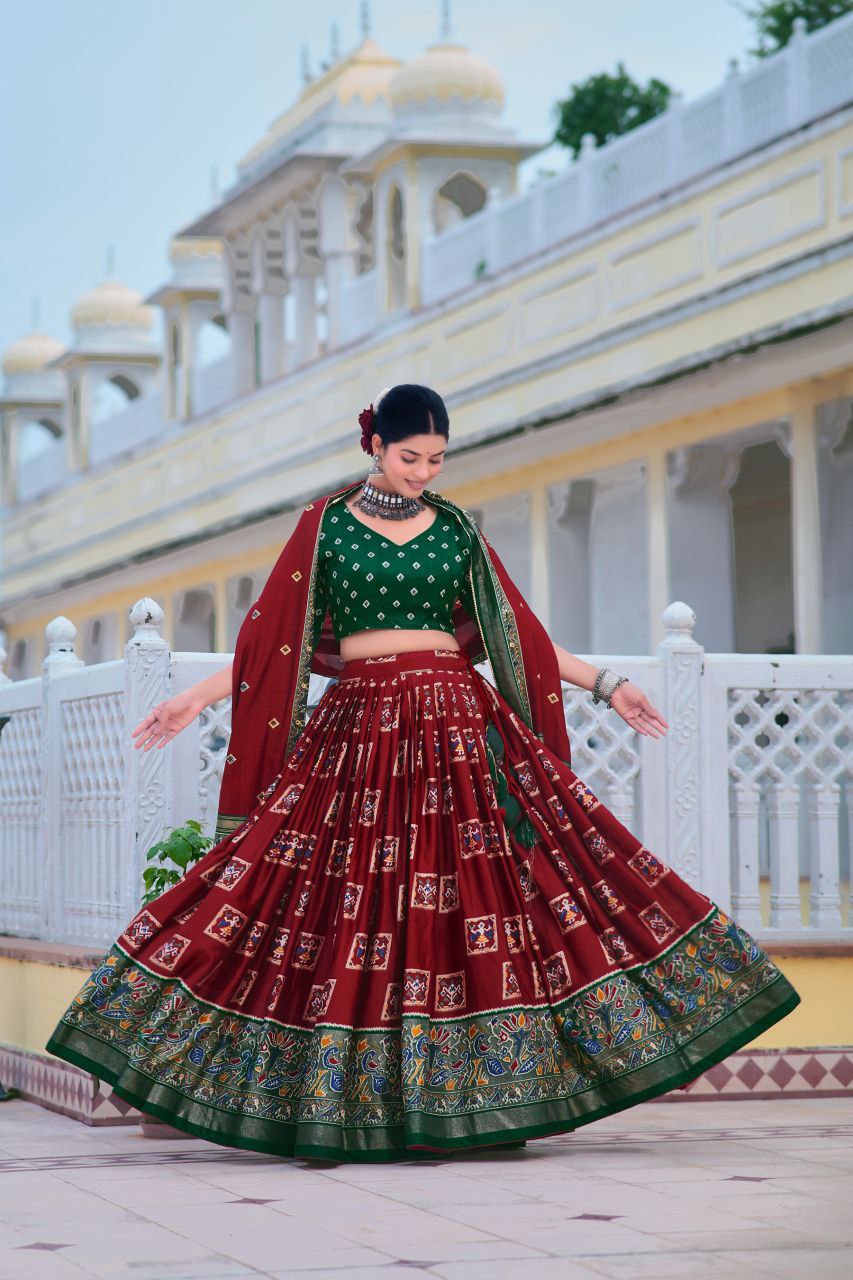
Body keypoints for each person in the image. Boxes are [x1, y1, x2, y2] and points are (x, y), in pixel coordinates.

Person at [46, 383, 800, 1164]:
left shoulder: (455, 530)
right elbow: (273, 648)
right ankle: (337, 1106)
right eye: (412, 457)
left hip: (458, 733)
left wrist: (608, 686)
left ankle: (478, 1103)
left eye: (437, 460)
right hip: (359, 736)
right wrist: (190, 701)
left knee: (470, 907)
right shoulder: (325, 527)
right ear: (375, 445)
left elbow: (520, 636)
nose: (424, 473)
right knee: (337, 907)